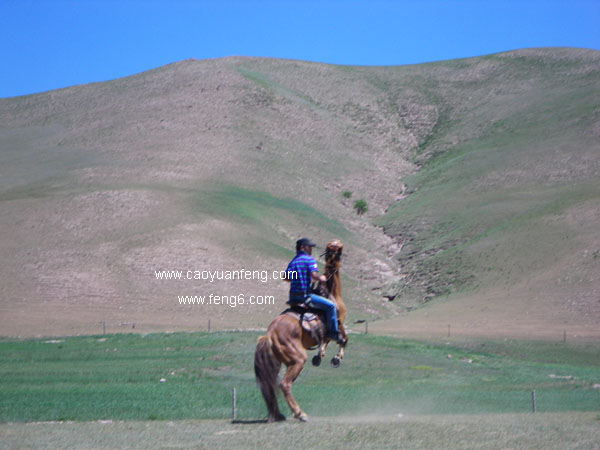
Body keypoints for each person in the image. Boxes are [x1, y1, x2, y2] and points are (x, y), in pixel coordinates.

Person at [284, 238, 344, 344]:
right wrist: (322, 278)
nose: (311, 249)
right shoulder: (309, 260)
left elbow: (286, 278)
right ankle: (333, 333)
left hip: (293, 297)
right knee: (331, 306)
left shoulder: (293, 261)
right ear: (303, 248)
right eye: (309, 247)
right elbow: (314, 276)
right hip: (305, 296)